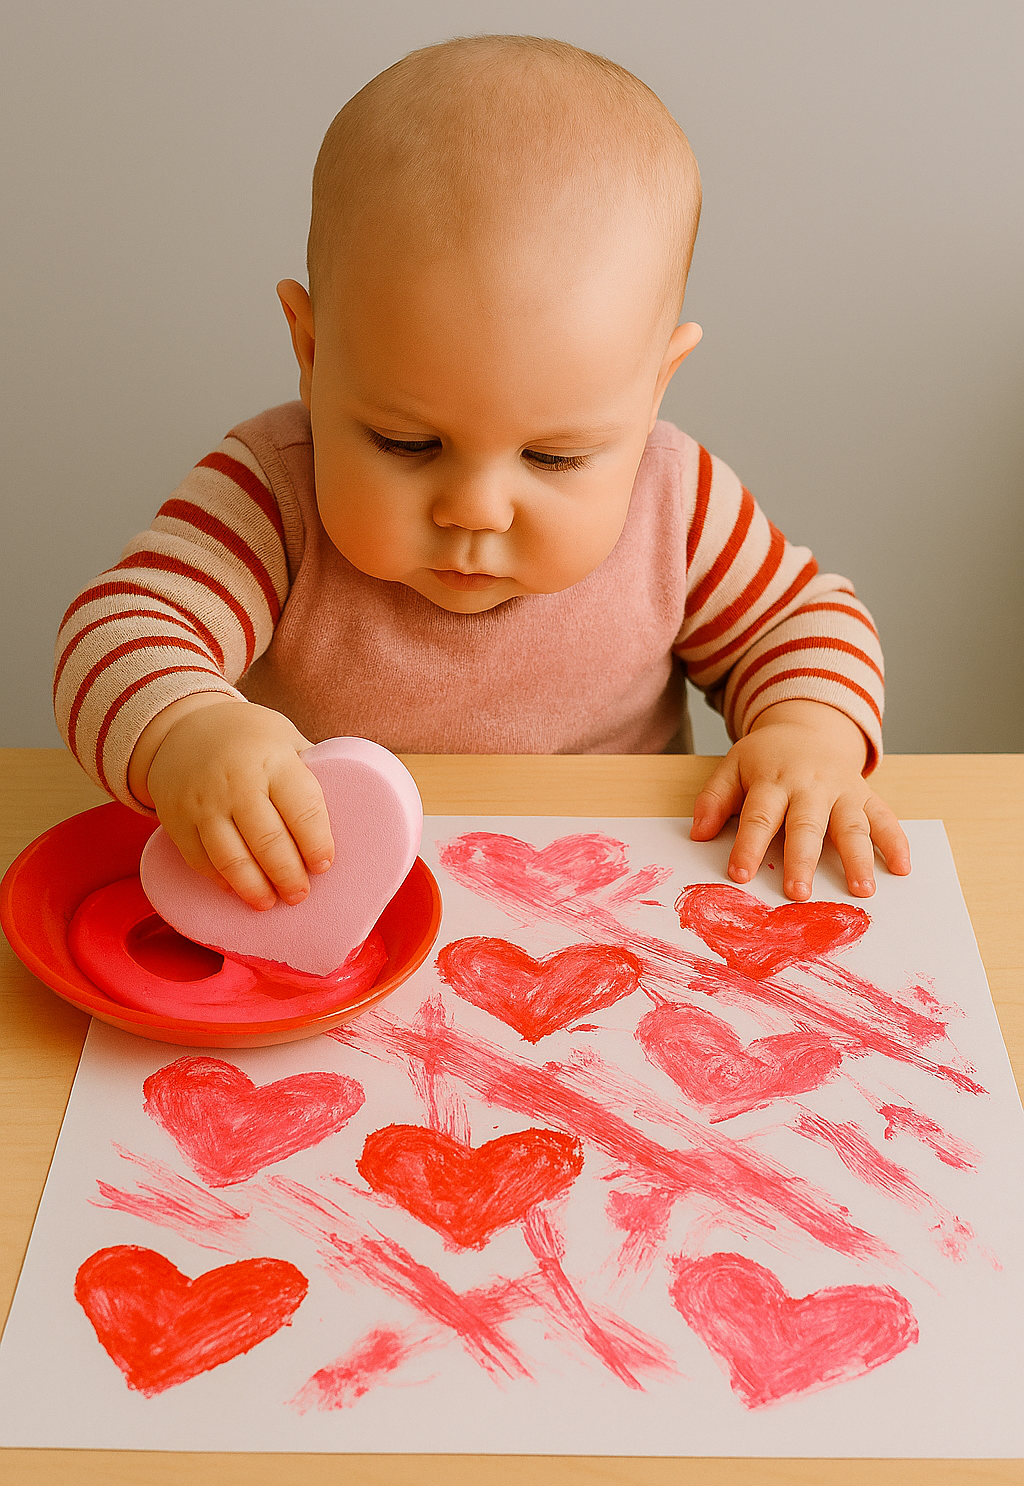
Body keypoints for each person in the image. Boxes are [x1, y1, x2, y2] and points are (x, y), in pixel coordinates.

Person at [54, 34, 910, 916]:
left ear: (655, 387)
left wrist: (809, 733)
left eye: (553, 457)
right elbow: (116, 633)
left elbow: (802, 622)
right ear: (312, 354)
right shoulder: (273, 496)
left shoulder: (676, 505)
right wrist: (189, 732)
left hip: (609, 907)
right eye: (405, 443)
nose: (476, 509)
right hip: (328, 905)